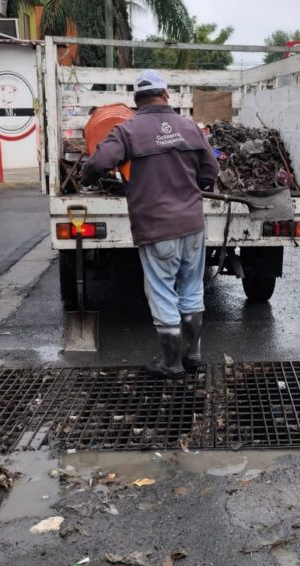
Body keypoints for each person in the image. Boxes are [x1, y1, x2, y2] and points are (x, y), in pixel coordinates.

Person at [82, 70, 219, 379]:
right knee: (191, 287)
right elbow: (211, 167)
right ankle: (193, 355)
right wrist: (198, 183)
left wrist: (88, 177)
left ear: (136, 100)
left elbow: (98, 164)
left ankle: (171, 363)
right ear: (166, 95)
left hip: (156, 227)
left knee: (162, 292)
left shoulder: (126, 131)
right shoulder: (189, 127)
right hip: (193, 223)